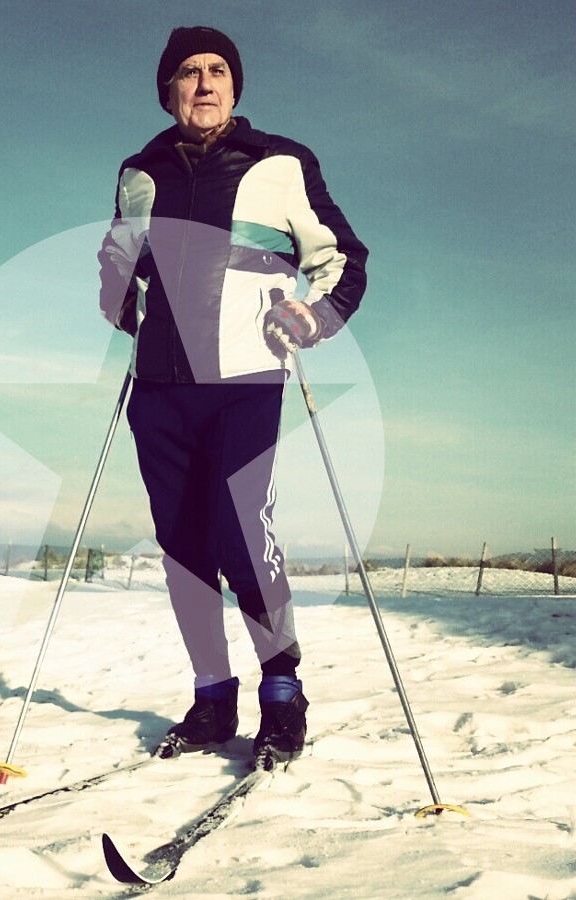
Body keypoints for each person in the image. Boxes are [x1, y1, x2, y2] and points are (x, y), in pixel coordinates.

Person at [98, 26, 368, 769]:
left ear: (236, 88)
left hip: (246, 376)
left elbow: (342, 260)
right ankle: (212, 697)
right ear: (168, 91)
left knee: (243, 531)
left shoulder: (280, 162)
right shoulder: (137, 171)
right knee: (183, 548)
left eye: (218, 69)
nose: (205, 81)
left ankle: (282, 693)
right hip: (158, 387)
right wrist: (123, 301)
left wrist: (312, 314)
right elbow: (116, 263)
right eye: (188, 72)